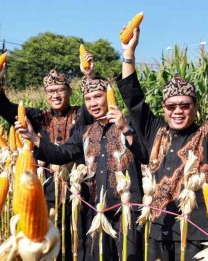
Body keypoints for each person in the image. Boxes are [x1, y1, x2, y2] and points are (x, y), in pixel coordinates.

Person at [116, 21, 208, 260]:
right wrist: (128, 53)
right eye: (171, 106)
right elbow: (133, 98)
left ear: (195, 107)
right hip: (158, 229)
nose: (178, 111)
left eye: (185, 105)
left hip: (196, 234)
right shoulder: (156, 130)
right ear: (164, 109)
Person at [15, 53, 148, 261]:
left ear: (108, 96)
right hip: (96, 213)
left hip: (127, 213)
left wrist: (125, 128)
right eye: (88, 99)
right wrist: (34, 138)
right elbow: (62, 153)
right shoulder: (84, 132)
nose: (93, 103)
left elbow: (145, 155)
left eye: (98, 97)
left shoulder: (131, 123)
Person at [0, 64, 94, 260]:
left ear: (69, 92)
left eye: (60, 90)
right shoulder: (38, 117)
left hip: (77, 194)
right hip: (47, 195)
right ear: (45, 95)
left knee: (76, 246)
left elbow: (97, 99)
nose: (55, 95)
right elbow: (5, 108)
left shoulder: (82, 115)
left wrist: (90, 74)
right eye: (51, 91)